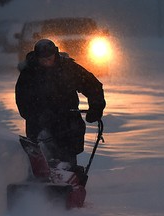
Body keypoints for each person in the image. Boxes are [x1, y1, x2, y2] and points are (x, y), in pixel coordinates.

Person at [15, 39, 106, 167]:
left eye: (49, 58)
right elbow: (22, 100)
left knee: (66, 159)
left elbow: (93, 86)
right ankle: (40, 183)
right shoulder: (29, 73)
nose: (47, 62)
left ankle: (68, 178)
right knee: (41, 160)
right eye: (43, 59)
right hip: (39, 126)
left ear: (55, 54)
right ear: (37, 58)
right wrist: (37, 116)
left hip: (68, 124)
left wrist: (96, 107)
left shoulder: (68, 68)